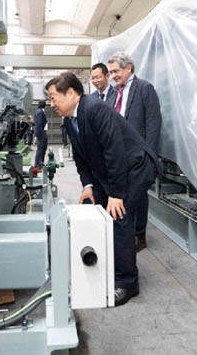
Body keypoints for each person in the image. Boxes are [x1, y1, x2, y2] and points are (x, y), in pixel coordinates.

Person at [45, 72, 159, 307]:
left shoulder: (94, 109)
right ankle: (107, 267)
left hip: (136, 167)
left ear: (71, 93)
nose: (51, 104)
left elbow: (114, 151)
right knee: (94, 207)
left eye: (53, 98)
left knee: (119, 216)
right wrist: (88, 185)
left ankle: (127, 282)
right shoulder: (70, 120)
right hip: (112, 171)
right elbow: (81, 158)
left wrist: (116, 194)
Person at [107, 52, 162, 252]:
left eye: (116, 71)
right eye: (111, 72)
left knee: (138, 196)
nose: (113, 76)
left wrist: (149, 155)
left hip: (139, 155)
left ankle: (140, 235)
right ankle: (124, 233)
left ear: (128, 68)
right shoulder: (114, 93)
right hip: (118, 153)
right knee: (122, 194)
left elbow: (153, 122)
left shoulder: (144, 88)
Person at [34, 101, 48, 168]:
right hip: (40, 132)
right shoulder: (40, 112)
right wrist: (42, 134)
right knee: (40, 149)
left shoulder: (38, 111)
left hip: (40, 132)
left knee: (43, 148)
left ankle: (40, 162)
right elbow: (39, 124)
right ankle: (37, 164)